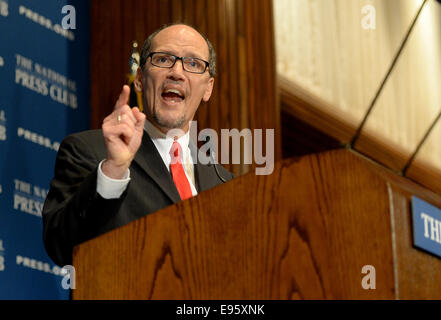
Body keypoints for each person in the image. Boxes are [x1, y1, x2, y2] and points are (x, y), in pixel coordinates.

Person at [42, 23, 234, 267]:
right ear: (141, 80)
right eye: (164, 59)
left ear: (208, 88)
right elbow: (62, 247)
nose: (177, 72)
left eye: (193, 63)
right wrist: (113, 171)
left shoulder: (226, 185)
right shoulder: (90, 152)